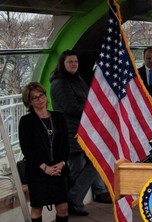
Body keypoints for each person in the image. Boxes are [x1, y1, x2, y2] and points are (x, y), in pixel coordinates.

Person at [50, 50, 109, 217]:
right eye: (70, 62)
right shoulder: (60, 83)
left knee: (94, 163)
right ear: (63, 63)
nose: (74, 64)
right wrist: (94, 111)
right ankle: (69, 203)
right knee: (75, 168)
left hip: (84, 130)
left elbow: (88, 100)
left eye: (75, 61)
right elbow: (71, 108)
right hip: (71, 132)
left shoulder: (78, 79)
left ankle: (72, 199)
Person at [19, 82, 70, 222]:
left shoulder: (58, 117)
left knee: (63, 208)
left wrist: (62, 163)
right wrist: (45, 167)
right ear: (29, 102)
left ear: (45, 96)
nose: (40, 99)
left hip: (59, 170)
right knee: (36, 208)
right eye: (35, 98)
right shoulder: (26, 121)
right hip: (38, 171)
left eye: (41, 95)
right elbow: (27, 149)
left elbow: (66, 144)